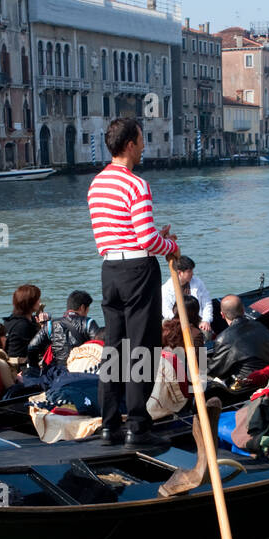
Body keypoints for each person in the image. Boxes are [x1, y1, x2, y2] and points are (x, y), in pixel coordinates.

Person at [87, 117, 178, 446]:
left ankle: (110, 425)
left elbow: (124, 233)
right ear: (129, 145)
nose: (143, 147)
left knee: (114, 348)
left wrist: (153, 238)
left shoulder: (96, 184)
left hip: (110, 270)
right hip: (139, 271)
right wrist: (171, 245)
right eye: (140, 141)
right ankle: (138, 427)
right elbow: (147, 240)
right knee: (142, 347)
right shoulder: (136, 185)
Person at [204, 294, 269, 385]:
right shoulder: (261, 326)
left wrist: (202, 356)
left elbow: (213, 371)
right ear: (243, 310)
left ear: (222, 315)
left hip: (246, 386)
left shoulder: (224, 338)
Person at [160, 255, 213, 336]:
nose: (192, 274)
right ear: (179, 273)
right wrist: (184, 325)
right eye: (189, 271)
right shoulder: (166, 289)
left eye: (192, 270)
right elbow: (167, 312)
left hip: (197, 320)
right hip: (176, 322)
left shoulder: (198, 283)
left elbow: (207, 303)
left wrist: (206, 320)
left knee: (207, 333)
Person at [3, 284, 50, 375]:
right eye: (37, 299)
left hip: (14, 365)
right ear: (30, 303)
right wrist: (44, 327)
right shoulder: (23, 325)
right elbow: (42, 346)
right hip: (22, 369)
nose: (39, 302)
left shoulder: (12, 320)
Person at [48, 289, 100, 370]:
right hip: (80, 369)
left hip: (58, 371)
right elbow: (99, 344)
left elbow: (32, 347)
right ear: (83, 307)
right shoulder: (88, 323)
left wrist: (34, 367)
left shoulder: (51, 324)